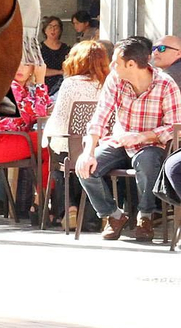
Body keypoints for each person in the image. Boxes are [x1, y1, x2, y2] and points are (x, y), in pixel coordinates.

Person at [76, 36, 181, 242]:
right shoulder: (115, 80)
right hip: (120, 142)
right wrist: (88, 152)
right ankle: (114, 216)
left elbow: (174, 127)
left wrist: (142, 136)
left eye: (115, 61)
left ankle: (146, 216)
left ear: (131, 64)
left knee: (147, 162)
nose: (112, 65)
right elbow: (99, 117)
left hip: (151, 144)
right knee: (86, 168)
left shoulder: (165, 84)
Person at [42, 40, 110, 229]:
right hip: (101, 148)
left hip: (73, 148)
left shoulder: (70, 84)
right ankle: (96, 214)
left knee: (57, 163)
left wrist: (49, 137)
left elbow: (60, 119)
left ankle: (70, 208)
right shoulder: (109, 84)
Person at [0, 62, 51, 217]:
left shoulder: (19, 88)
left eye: (26, 65)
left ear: (32, 69)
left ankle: (40, 201)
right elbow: (39, 113)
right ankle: (42, 201)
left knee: (46, 146)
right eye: (17, 63)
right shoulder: (11, 87)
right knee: (49, 143)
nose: (20, 68)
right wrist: (41, 81)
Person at [40, 16, 70, 94]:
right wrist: (59, 72)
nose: (53, 30)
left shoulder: (66, 48)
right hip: (44, 85)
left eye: (56, 27)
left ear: (60, 30)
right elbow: (39, 70)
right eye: (50, 27)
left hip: (62, 86)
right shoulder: (39, 48)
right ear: (45, 30)